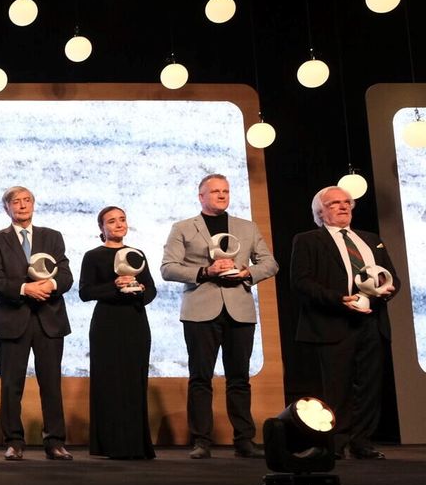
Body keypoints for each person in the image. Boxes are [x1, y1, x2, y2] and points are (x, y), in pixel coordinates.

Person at [159, 174, 278, 459]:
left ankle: (244, 440)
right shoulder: (183, 227)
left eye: (225, 191)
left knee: (239, 378)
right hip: (200, 311)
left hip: (240, 310)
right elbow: (168, 268)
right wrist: (205, 272)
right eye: (215, 191)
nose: (222, 195)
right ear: (201, 196)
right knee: (201, 378)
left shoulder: (247, 227)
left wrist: (247, 272)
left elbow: (270, 263)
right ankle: (201, 440)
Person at [290, 186, 397, 459]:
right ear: (320, 212)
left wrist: (387, 289)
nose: (343, 206)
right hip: (333, 323)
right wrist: (339, 299)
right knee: (336, 388)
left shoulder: (371, 239)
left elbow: (392, 277)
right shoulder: (308, 240)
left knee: (370, 386)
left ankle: (362, 442)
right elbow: (301, 282)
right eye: (334, 203)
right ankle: (334, 444)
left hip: (372, 323)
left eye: (347, 202)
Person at [0, 186, 74, 461]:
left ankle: (55, 442)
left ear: (33, 204)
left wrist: (50, 285)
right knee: (11, 385)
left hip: (49, 319)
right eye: (16, 202)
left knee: (51, 384)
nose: (22, 205)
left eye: (27, 200)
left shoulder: (52, 237)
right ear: (6, 208)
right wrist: (25, 289)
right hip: (12, 320)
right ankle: (14, 442)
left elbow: (66, 275)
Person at [77, 206, 157, 459]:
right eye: (111, 221)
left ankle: (136, 444)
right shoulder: (93, 256)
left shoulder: (137, 254)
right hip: (107, 324)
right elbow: (85, 292)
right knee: (109, 382)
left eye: (122, 219)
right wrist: (114, 286)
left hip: (135, 321)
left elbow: (152, 290)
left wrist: (140, 290)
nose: (119, 224)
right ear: (102, 228)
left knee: (135, 381)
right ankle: (110, 444)